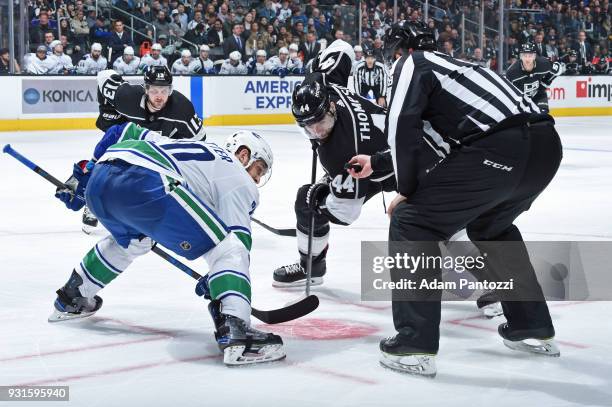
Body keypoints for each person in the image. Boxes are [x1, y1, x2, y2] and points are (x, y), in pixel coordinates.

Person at [349, 21, 562, 377]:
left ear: (397, 50)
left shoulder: (412, 64)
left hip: (500, 147)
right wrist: (378, 163)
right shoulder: (460, 69)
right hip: (544, 148)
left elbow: (404, 132)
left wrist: (404, 190)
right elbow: (437, 141)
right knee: (490, 229)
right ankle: (532, 329)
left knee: (412, 221)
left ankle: (413, 345)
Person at [51, 122, 284, 366]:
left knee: (135, 241)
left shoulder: (194, 149)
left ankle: (72, 296)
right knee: (228, 249)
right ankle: (237, 331)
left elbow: (120, 132)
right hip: (147, 181)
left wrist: (83, 178)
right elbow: (237, 242)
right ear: (243, 154)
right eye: (258, 170)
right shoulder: (238, 177)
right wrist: (224, 283)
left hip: (102, 177)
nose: (256, 180)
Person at [272, 40, 395, 288]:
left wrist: (320, 201)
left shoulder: (343, 153)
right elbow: (342, 46)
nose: (316, 131)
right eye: (308, 126)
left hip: (403, 166)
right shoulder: (325, 84)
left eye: (321, 122)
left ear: (330, 107)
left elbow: (346, 213)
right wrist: (316, 69)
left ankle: (487, 281)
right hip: (388, 147)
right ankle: (312, 267)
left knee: (433, 219)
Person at [506, 43, 564, 113]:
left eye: (530, 55)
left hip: (538, 95)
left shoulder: (543, 63)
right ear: (520, 57)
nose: (527, 59)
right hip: (521, 99)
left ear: (534, 56)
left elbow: (558, 68)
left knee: (542, 117)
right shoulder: (512, 72)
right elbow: (508, 92)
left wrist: (545, 83)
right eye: (524, 56)